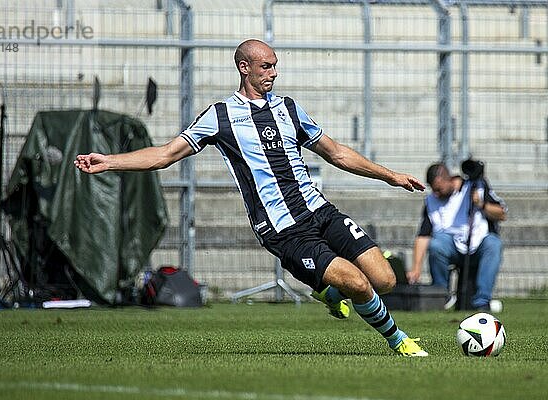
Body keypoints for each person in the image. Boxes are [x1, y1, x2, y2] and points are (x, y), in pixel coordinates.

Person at [75, 39, 428, 356]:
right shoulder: (220, 116)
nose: (273, 73)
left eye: (275, 65)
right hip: (283, 229)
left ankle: (328, 292)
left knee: (384, 280)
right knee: (357, 282)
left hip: (320, 211)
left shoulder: (289, 108)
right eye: (266, 66)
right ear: (244, 67)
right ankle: (399, 340)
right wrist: (110, 162)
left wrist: (390, 175)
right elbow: (166, 154)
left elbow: (335, 153)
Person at [407, 162, 507, 311]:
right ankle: (441, 295)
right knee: (436, 244)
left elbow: (501, 214)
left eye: (439, 189)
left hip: (478, 243)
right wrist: (416, 268)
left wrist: (481, 204)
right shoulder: (431, 201)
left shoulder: (476, 187)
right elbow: (423, 236)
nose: (436, 194)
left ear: (448, 179)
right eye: (433, 190)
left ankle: (482, 300)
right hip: (452, 247)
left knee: (494, 244)